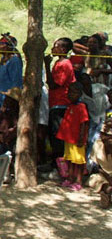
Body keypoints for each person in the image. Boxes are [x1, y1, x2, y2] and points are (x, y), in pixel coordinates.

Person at [45, 37, 76, 166]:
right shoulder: (59, 63)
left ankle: (58, 166)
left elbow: (54, 84)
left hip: (61, 103)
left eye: (55, 46)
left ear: (63, 49)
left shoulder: (64, 64)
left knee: (57, 135)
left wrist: (46, 65)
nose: (53, 49)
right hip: (55, 103)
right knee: (54, 134)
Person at [56, 82, 89, 191]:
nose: (70, 95)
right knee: (69, 159)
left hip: (77, 140)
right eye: (69, 92)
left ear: (79, 94)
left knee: (78, 161)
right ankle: (70, 178)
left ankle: (78, 181)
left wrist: (82, 138)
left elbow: (84, 123)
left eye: (73, 92)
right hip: (69, 139)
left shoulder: (81, 107)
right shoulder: (70, 106)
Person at [88, 119, 112, 209]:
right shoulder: (98, 144)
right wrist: (108, 177)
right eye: (105, 135)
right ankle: (107, 192)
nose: (107, 138)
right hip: (104, 174)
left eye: (110, 136)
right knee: (94, 179)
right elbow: (95, 166)